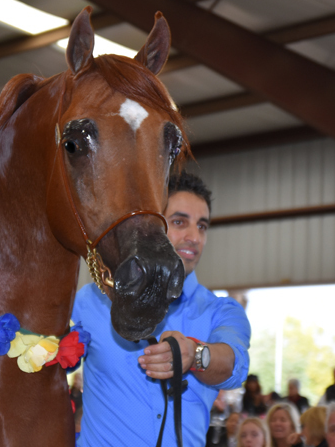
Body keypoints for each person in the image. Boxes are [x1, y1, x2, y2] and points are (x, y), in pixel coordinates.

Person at [72, 171, 251, 447]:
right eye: (179, 222)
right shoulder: (92, 301)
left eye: (202, 226)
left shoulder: (222, 311)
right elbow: (41, 358)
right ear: (151, 225)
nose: (194, 237)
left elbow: (236, 365)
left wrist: (195, 355)